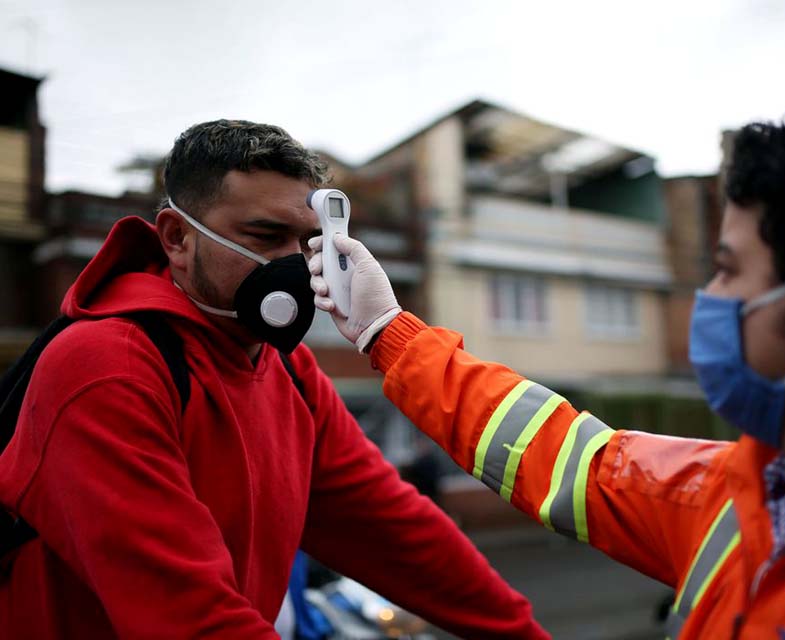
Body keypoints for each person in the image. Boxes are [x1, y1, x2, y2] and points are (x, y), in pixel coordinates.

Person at [310, 106, 785, 638]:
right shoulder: (745, 495)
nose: (706, 296)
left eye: (729, 269)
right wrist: (385, 330)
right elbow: (560, 452)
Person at [0, 120, 548, 639]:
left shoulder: (287, 366)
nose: (295, 264)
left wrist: (521, 632)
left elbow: (390, 528)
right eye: (266, 235)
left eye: (307, 242)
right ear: (175, 238)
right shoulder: (106, 368)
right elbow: (190, 618)